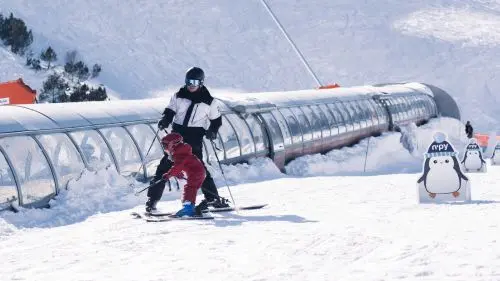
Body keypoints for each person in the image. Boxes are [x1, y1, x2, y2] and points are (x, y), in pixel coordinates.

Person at [145, 66, 230, 213]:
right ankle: (152, 200)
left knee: (198, 168)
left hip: (195, 136)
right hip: (177, 137)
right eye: (189, 81)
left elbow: (216, 121)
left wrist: (212, 131)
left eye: (195, 82)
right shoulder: (178, 95)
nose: (191, 85)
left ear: (201, 83)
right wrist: (165, 120)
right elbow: (170, 110)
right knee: (164, 167)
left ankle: (212, 198)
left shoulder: (209, 102)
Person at [160, 133, 206, 217]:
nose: (164, 148)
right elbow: (181, 166)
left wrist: (168, 175)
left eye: (166, 145)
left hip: (196, 173)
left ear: (172, 144)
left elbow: (177, 166)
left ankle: (188, 209)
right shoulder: (180, 151)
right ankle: (190, 207)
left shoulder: (180, 154)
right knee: (191, 188)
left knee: (190, 188)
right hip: (196, 172)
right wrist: (178, 173)